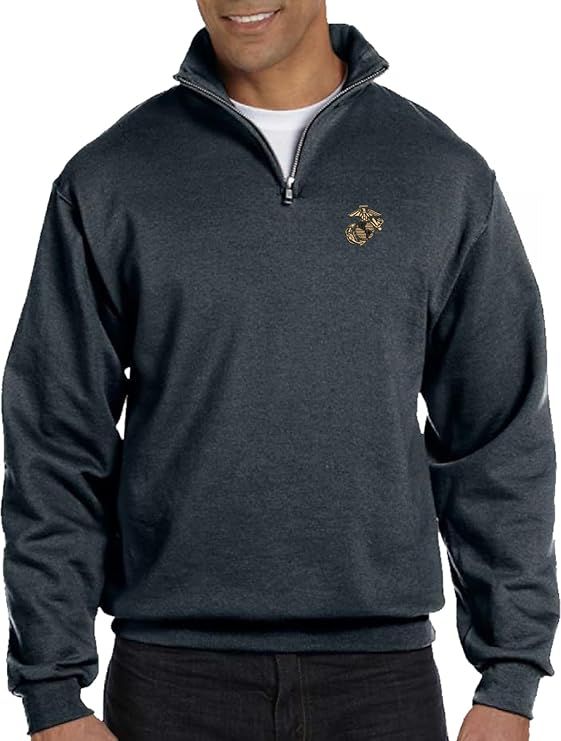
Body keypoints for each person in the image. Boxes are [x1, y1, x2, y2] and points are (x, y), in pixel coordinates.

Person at [1, 1, 558, 739]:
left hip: (381, 684)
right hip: (170, 680)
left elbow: (497, 438)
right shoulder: (111, 177)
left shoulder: (439, 174)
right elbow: (55, 438)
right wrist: (52, 692)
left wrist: (509, 680)